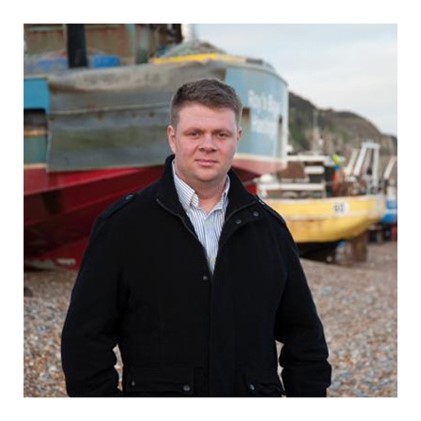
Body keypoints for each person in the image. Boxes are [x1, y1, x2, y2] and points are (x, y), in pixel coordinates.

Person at [61, 78, 331, 397]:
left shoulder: (268, 228)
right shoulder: (123, 225)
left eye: (221, 134)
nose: (208, 145)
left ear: (237, 139)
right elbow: (84, 343)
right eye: (195, 133)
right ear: (173, 138)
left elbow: (305, 340)